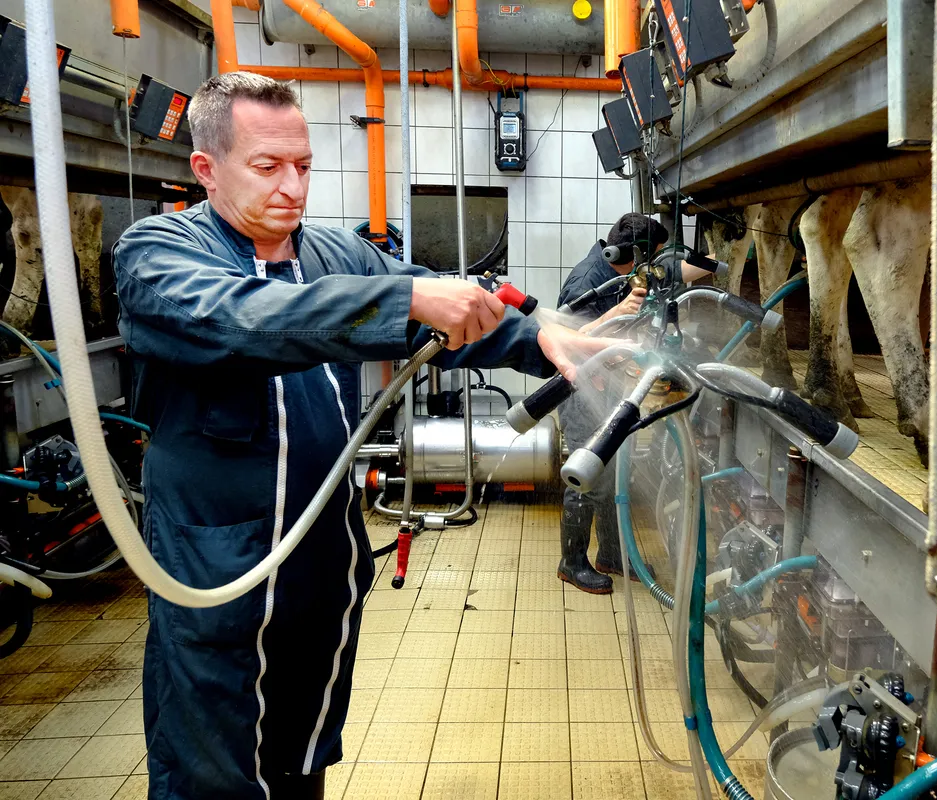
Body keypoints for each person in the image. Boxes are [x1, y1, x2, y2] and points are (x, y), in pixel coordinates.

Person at [113, 72, 605, 800]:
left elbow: (449, 323)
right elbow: (246, 318)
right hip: (220, 569)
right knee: (211, 773)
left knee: (301, 755)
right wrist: (408, 294)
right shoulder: (157, 253)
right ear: (207, 170)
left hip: (321, 565)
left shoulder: (334, 256)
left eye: (304, 167)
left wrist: (550, 342)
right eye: (268, 167)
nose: (292, 187)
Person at [555, 214, 712, 593]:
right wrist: (617, 313)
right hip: (580, 392)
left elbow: (681, 273)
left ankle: (611, 553)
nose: (653, 266)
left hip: (608, 389)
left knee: (614, 471)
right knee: (587, 474)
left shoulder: (626, 271)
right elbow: (566, 338)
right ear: (632, 253)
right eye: (651, 258)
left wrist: (713, 252)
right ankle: (572, 563)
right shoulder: (588, 279)